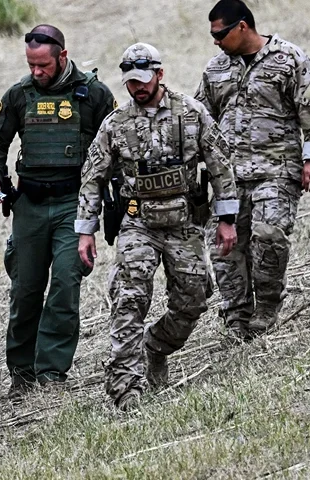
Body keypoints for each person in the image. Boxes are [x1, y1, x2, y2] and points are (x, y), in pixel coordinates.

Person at [77, 43, 239, 410]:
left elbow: (221, 167)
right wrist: (85, 230)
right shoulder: (115, 125)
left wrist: (226, 220)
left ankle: (157, 346)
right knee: (129, 297)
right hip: (139, 224)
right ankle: (126, 388)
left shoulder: (191, 113)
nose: (138, 88)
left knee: (194, 298)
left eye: (144, 80)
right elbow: (93, 178)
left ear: (160, 74)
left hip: (184, 225)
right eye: (131, 82)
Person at [0, 24, 117, 398]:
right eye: (31, 65)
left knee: (64, 285)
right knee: (25, 289)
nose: (37, 72)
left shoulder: (94, 95)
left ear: (62, 57)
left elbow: (117, 143)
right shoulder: (19, 95)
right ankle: (21, 374)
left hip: (75, 204)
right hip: (30, 205)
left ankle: (51, 372)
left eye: (43, 65)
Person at [195, 0, 310, 339]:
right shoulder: (215, 69)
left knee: (269, 237)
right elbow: (200, 119)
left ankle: (267, 306)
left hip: (278, 169)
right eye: (212, 35)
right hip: (230, 177)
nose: (216, 41)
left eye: (221, 34)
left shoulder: (288, 59)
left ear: (243, 26)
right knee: (225, 249)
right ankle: (236, 316)